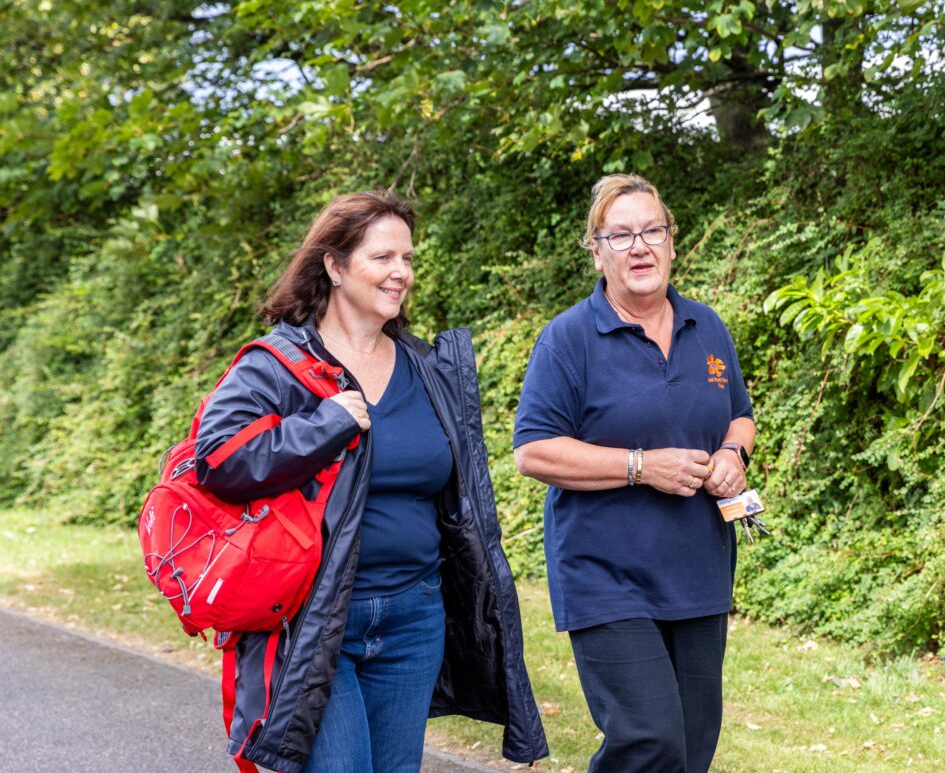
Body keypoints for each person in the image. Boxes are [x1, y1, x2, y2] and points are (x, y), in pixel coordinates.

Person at [194, 190, 547, 773]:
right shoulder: (278, 364)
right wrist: (325, 425)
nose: (401, 272)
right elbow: (217, 461)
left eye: (407, 258)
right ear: (334, 266)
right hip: (316, 619)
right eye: (382, 257)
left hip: (415, 615)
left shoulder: (426, 367)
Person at [514, 174, 756, 773]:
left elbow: (740, 415)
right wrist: (641, 467)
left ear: (672, 242)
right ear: (597, 253)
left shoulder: (707, 327)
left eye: (652, 230)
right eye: (620, 236)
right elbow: (534, 451)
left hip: (698, 570)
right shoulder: (569, 339)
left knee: (692, 747)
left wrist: (733, 455)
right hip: (606, 578)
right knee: (649, 740)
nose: (640, 246)